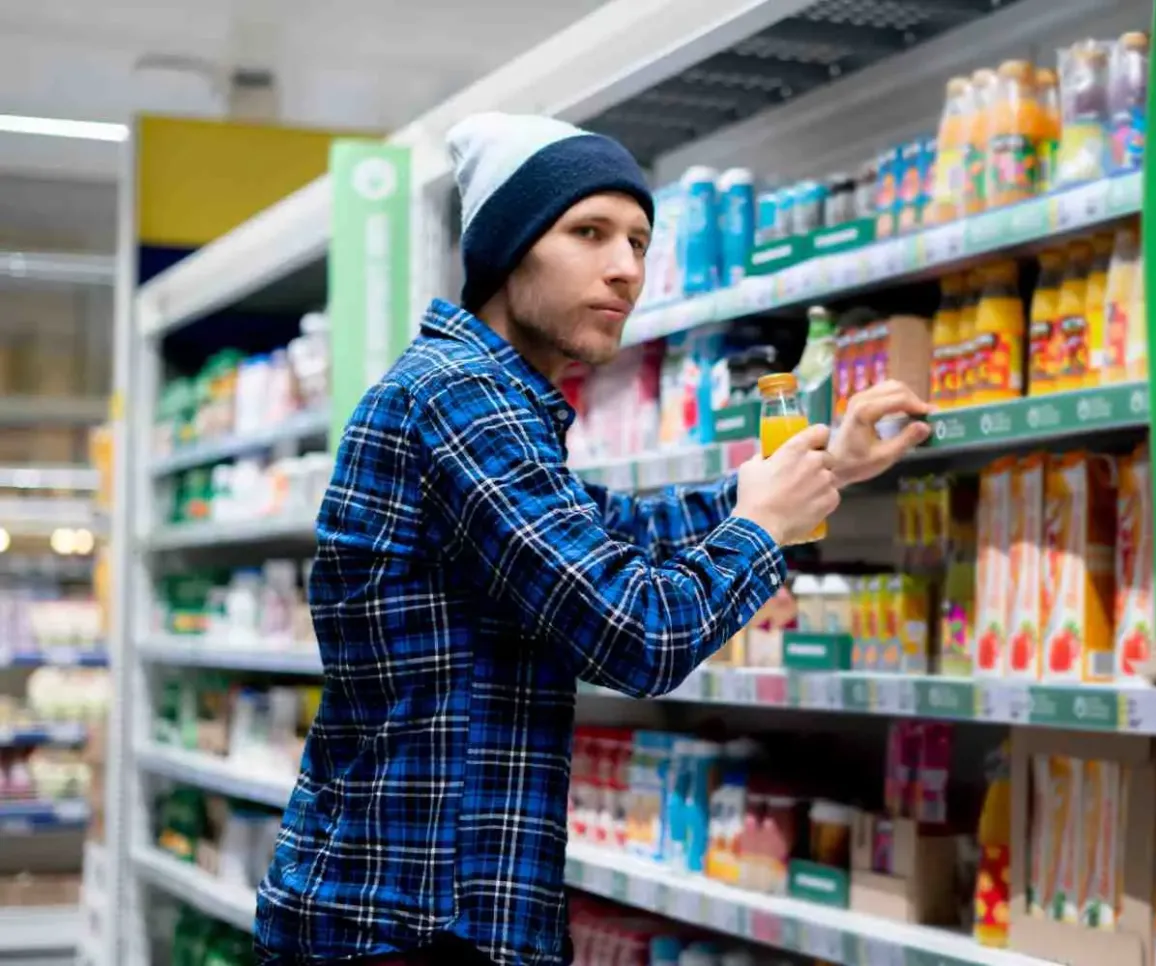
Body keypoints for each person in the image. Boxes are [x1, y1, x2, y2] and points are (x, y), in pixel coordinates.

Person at [254, 112, 932, 966]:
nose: (626, 268)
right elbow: (636, 634)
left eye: (640, 242)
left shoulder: (486, 400)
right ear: (509, 250)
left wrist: (820, 466)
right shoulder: (460, 398)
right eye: (589, 233)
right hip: (408, 928)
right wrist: (764, 526)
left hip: (420, 918)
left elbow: (621, 530)